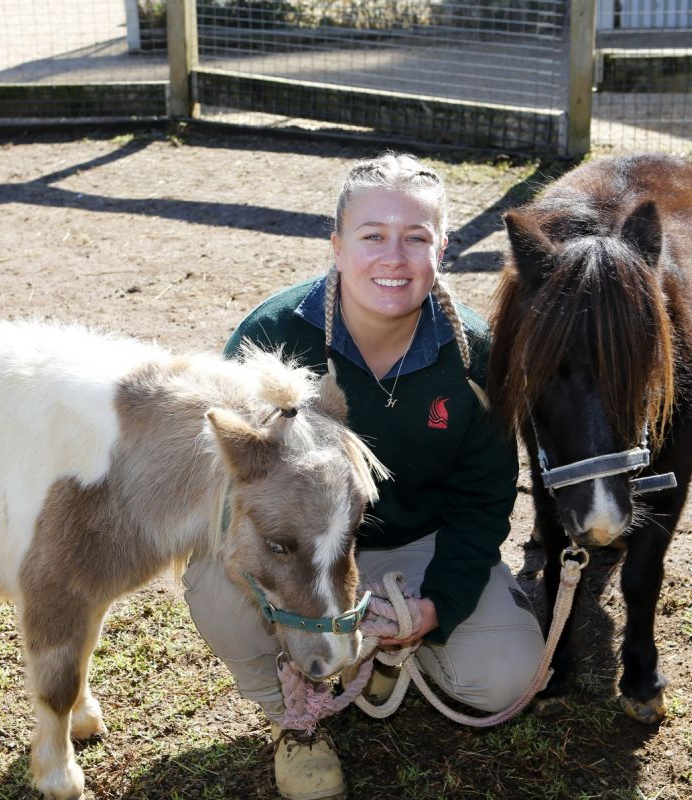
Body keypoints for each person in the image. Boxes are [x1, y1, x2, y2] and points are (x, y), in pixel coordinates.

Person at [183, 152, 545, 800]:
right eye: (372, 235)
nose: (394, 257)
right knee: (215, 587)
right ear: (337, 247)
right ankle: (294, 720)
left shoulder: (476, 354)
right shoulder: (270, 337)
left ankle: (394, 653)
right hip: (300, 555)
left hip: (418, 544)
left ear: (443, 251)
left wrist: (436, 605)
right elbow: (226, 493)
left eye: (416, 238)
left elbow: (483, 501)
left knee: (507, 672)